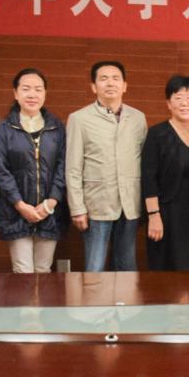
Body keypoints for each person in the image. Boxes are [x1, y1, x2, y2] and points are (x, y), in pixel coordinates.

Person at [66, 61, 147, 271]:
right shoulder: (79, 119)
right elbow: (73, 168)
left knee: (127, 268)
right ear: (94, 86)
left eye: (115, 78)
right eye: (103, 79)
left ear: (125, 85)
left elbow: (144, 162)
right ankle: (94, 296)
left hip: (130, 205)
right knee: (94, 269)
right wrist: (77, 208)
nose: (110, 83)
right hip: (96, 205)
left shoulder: (138, 118)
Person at [0, 68, 68, 273]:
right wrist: (20, 204)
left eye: (38, 89)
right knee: (23, 271)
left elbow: (63, 167)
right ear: (16, 94)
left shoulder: (57, 128)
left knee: (44, 270)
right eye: (26, 89)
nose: (32, 94)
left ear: (45, 94)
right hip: (16, 211)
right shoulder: (4, 129)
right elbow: (0, 170)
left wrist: (51, 202)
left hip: (49, 212)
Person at [142, 75, 189, 271]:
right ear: (168, 103)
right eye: (178, 97)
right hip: (164, 214)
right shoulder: (156, 134)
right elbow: (148, 177)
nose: (184, 103)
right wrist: (153, 215)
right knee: (163, 270)